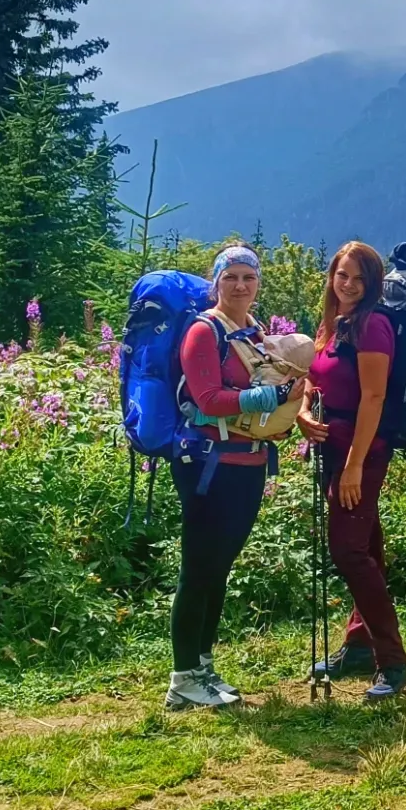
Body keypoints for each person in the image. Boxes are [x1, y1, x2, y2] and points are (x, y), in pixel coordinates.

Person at [167, 244, 289, 709]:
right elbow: (207, 399)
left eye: (248, 277)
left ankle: (202, 667)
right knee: (199, 570)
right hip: (207, 466)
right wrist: (270, 399)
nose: (240, 285)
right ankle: (183, 679)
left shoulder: (254, 332)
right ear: (215, 281)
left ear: (258, 283)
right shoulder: (204, 331)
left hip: (248, 464)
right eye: (231, 276)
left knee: (218, 569)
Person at [295, 241, 406, 701]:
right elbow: (314, 377)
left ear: (373, 284)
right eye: (342, 275)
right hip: (333, 446)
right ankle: (361, 645)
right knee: (366, 545)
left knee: (348, 551)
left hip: (361, 451)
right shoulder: (333, 323)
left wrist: (354, 466)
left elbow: (374, 398)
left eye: (360, 279)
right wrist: (303, 411)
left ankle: (393, 661)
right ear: (332, 277)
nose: (349, 284)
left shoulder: (372, 325)